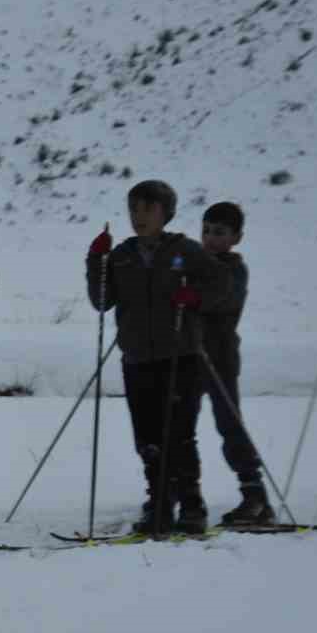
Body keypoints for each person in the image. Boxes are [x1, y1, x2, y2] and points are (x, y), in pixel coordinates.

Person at [86, 180, 229, 535]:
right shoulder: (122, 255)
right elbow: (102, 301)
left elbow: (220, 286)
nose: (139, 216)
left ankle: (191, 502)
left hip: (180, 356)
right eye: (134, 209)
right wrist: (96, 261)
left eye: (148, 209)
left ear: (166, 213)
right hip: (137, 358)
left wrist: (193, 297)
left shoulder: (186, 251)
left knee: (179, 433)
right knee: (147, 436)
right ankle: (160, 500)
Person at [197, 201, 274, 524]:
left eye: (219, 232)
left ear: (236, 237)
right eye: (206, 231)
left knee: (229, 424)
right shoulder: (194, 264)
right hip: (187, 355)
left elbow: (221, 301)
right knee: (176, 428)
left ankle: (255, 495)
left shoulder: (233, 269)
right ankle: (174, 493)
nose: (211, 238)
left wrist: (191, 292)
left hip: (219, 357)